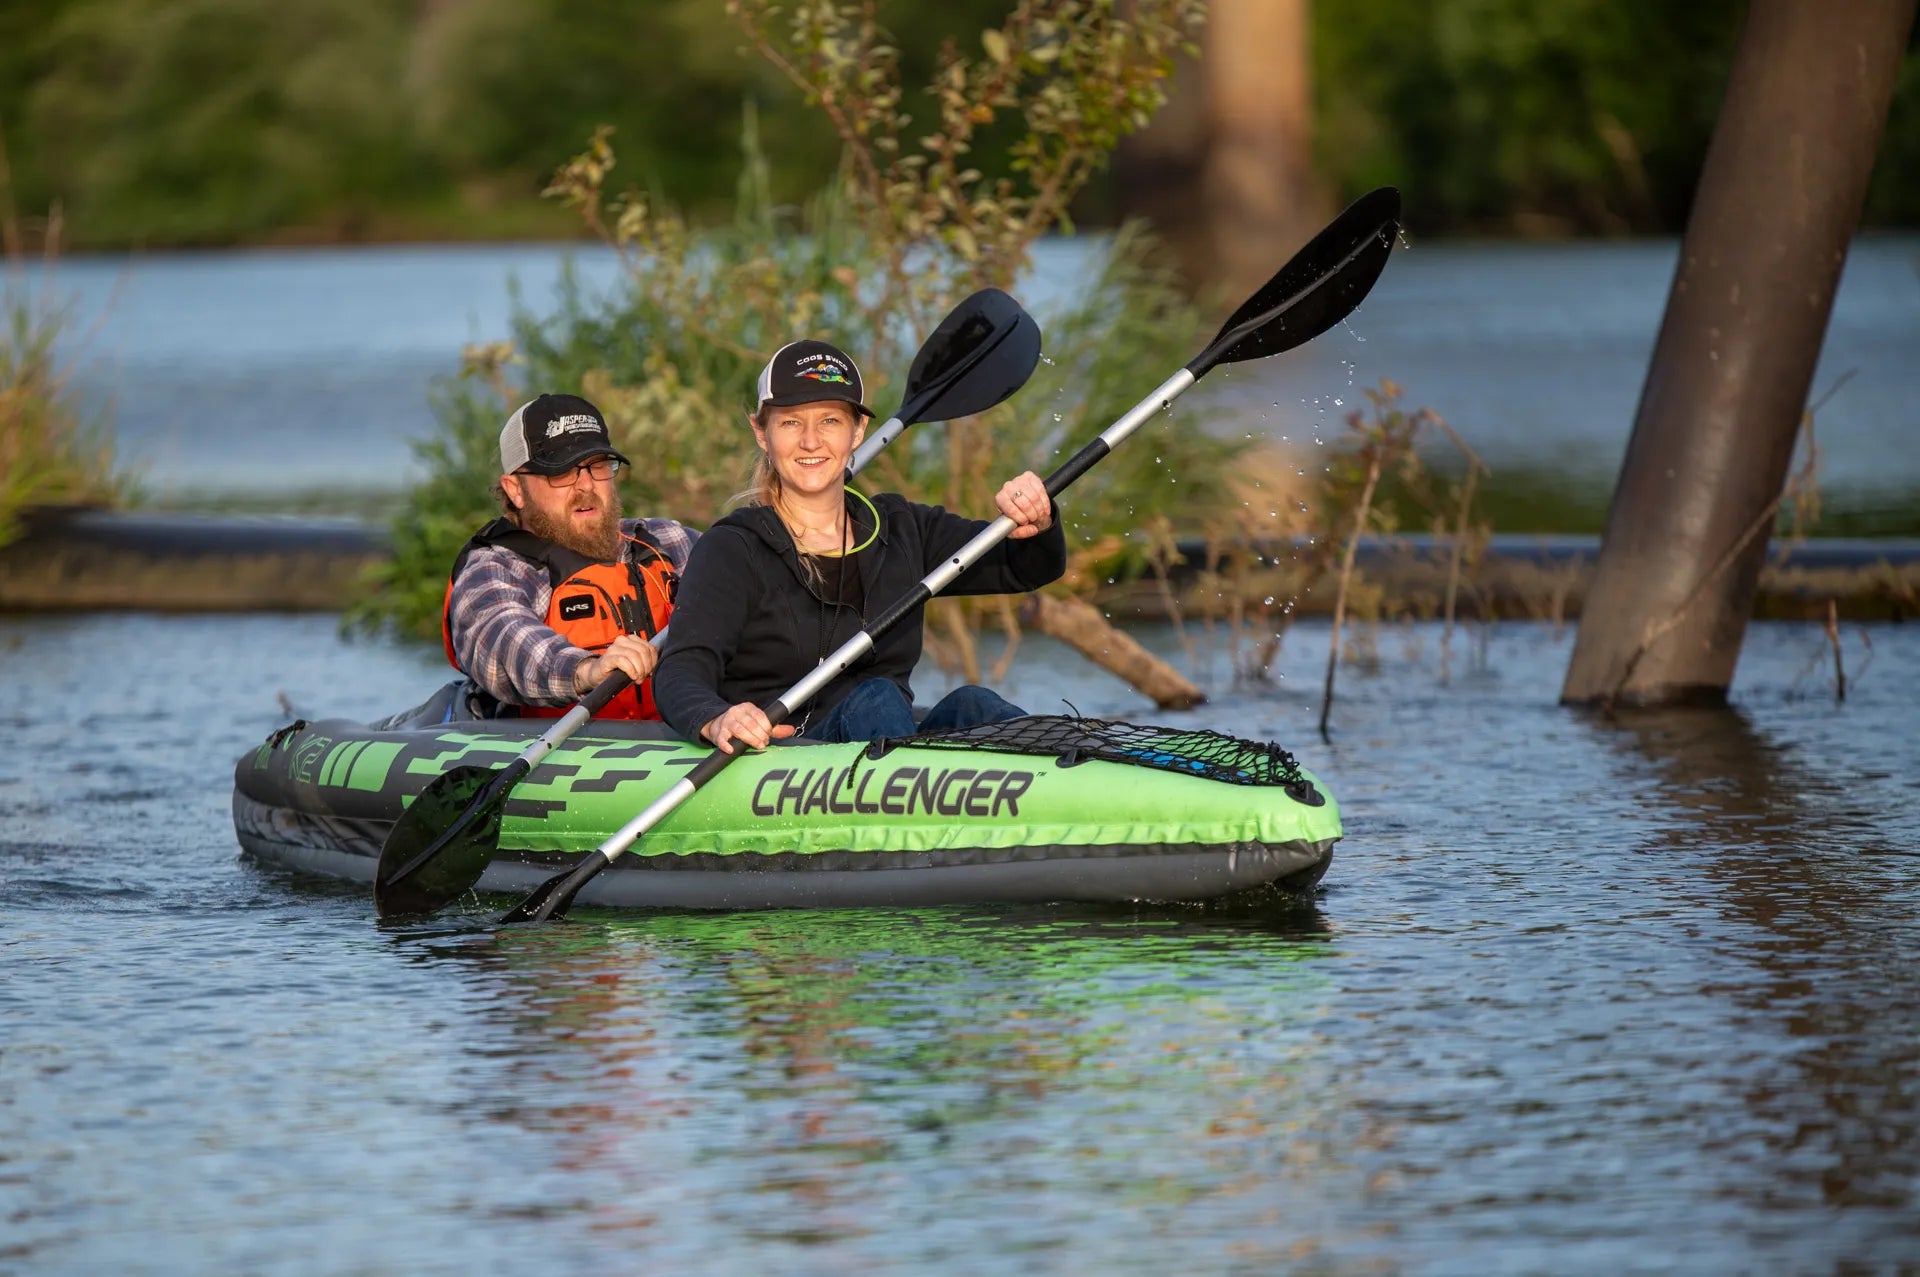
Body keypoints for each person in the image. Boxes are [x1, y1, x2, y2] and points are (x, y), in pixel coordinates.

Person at [654, 339, 1065, 750]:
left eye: (830, 421)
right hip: (781, 757)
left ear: (858, 431)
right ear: (762, 433)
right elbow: (681, 671)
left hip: (887, 746)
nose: (811, 441)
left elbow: (1025, 566)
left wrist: (1038, 520)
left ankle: (1075, 781)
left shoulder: (903, 528)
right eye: (791, 423)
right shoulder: (732, 548)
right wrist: (715, 718)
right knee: (877, 696)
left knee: (974, 704)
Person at [442, 393, 697, 719]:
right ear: (515, 490)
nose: (586, 486)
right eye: (561, 472)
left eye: (597, 466)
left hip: (677, 739)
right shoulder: (493, 572)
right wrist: (587, 670)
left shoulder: (669, 543)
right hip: (551, 751)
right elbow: (506, 639)